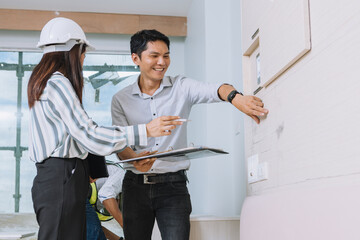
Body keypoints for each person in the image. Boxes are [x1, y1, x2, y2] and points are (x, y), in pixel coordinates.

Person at [28, 18, 181, 240]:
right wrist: (145, 130)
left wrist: (129, 157)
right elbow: (89, 134)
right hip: (62, 177)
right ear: (75, 50)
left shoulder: (41, 81)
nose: (82, 60)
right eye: (83, 54)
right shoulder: (58, 82)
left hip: (57, 177)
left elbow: (76, 136)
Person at [111, 29, 269, 240]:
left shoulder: (181, 86)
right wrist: (135, 160)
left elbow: (216, 89)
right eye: (154, 56)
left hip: (173, 187)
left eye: (166, 55)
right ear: (135, 58)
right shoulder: (120, 100)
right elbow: (120, 145)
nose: (162, 62)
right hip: (134, 187)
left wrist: (235, 98)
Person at [86, 163, 126, 240]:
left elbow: (97, 228)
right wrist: (128, 230)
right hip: (76, 191)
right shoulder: (122, 175)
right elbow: (105, 195)